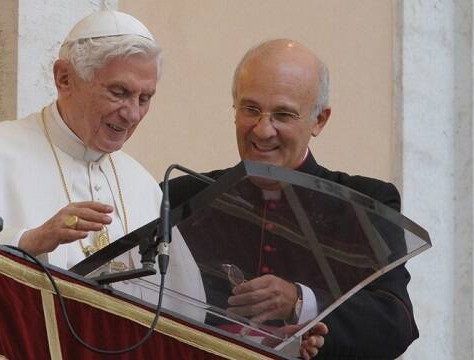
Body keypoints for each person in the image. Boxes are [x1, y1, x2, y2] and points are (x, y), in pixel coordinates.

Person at [0, 10, 205, 315]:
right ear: (64, 78)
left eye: (144, 99)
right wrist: (28, 241)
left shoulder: (140, 183)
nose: (132, 114)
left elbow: (189, 309)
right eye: (119, 93)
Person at [167, 39, 418, 359]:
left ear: (319, 120)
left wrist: (298, 302)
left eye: (283, 115)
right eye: (250, 109)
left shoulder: (365, 202)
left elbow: (393, 324)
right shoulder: (184, 197)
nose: (262, 130)